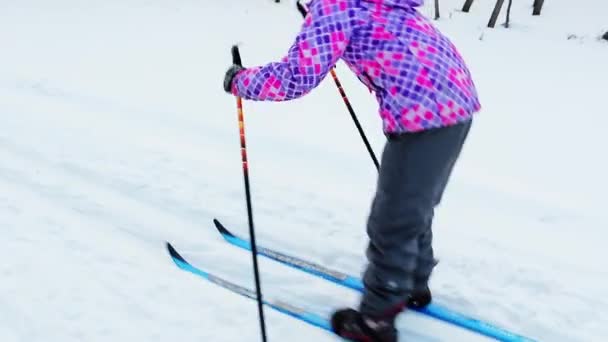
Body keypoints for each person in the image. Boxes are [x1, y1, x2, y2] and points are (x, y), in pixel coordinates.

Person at [223, 0, 480, 341]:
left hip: (425, 116)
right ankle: (410, 285)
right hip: (454, 104)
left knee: (393, 220)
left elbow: (296, 77)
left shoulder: (334, 7)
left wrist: (242, 82)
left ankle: (377, 320)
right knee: (413, 206)